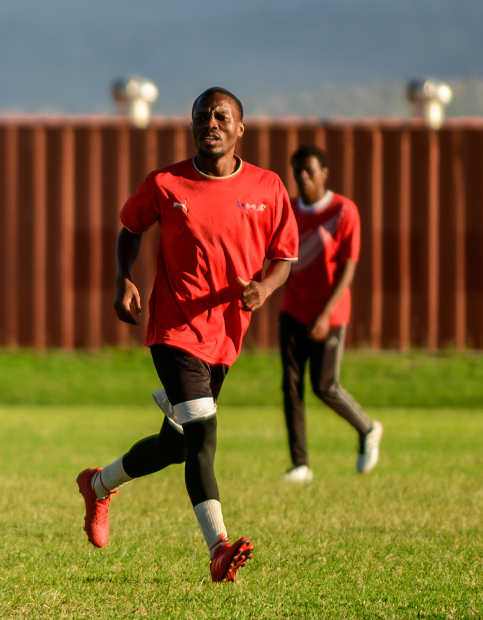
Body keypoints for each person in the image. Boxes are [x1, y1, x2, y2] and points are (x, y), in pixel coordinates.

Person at [76, 88, 297, 582]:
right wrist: (123, 277)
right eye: (202, 116)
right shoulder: (166, 182)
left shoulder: (268, 187)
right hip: (173, 331)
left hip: (225, 337)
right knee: (202, 432)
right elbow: (130, 228)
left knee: (174, 444)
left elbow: (284, 258)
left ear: (241, 129)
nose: (211, 123)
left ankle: (99, 483)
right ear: (192, 125)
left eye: (222, 117)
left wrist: (262, 287)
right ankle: (218, 547)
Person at [277, 144, 382, 482]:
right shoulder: (289, 210)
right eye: (297, 172)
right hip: (293, 309)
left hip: (330, 314)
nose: (303, 178)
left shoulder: (343, 210)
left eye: (309, 171)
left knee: (325, 386)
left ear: (324, 173)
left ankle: (367, 429)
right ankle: (300, 465)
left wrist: (325, 314)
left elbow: (349, 267)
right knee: (291, 386)